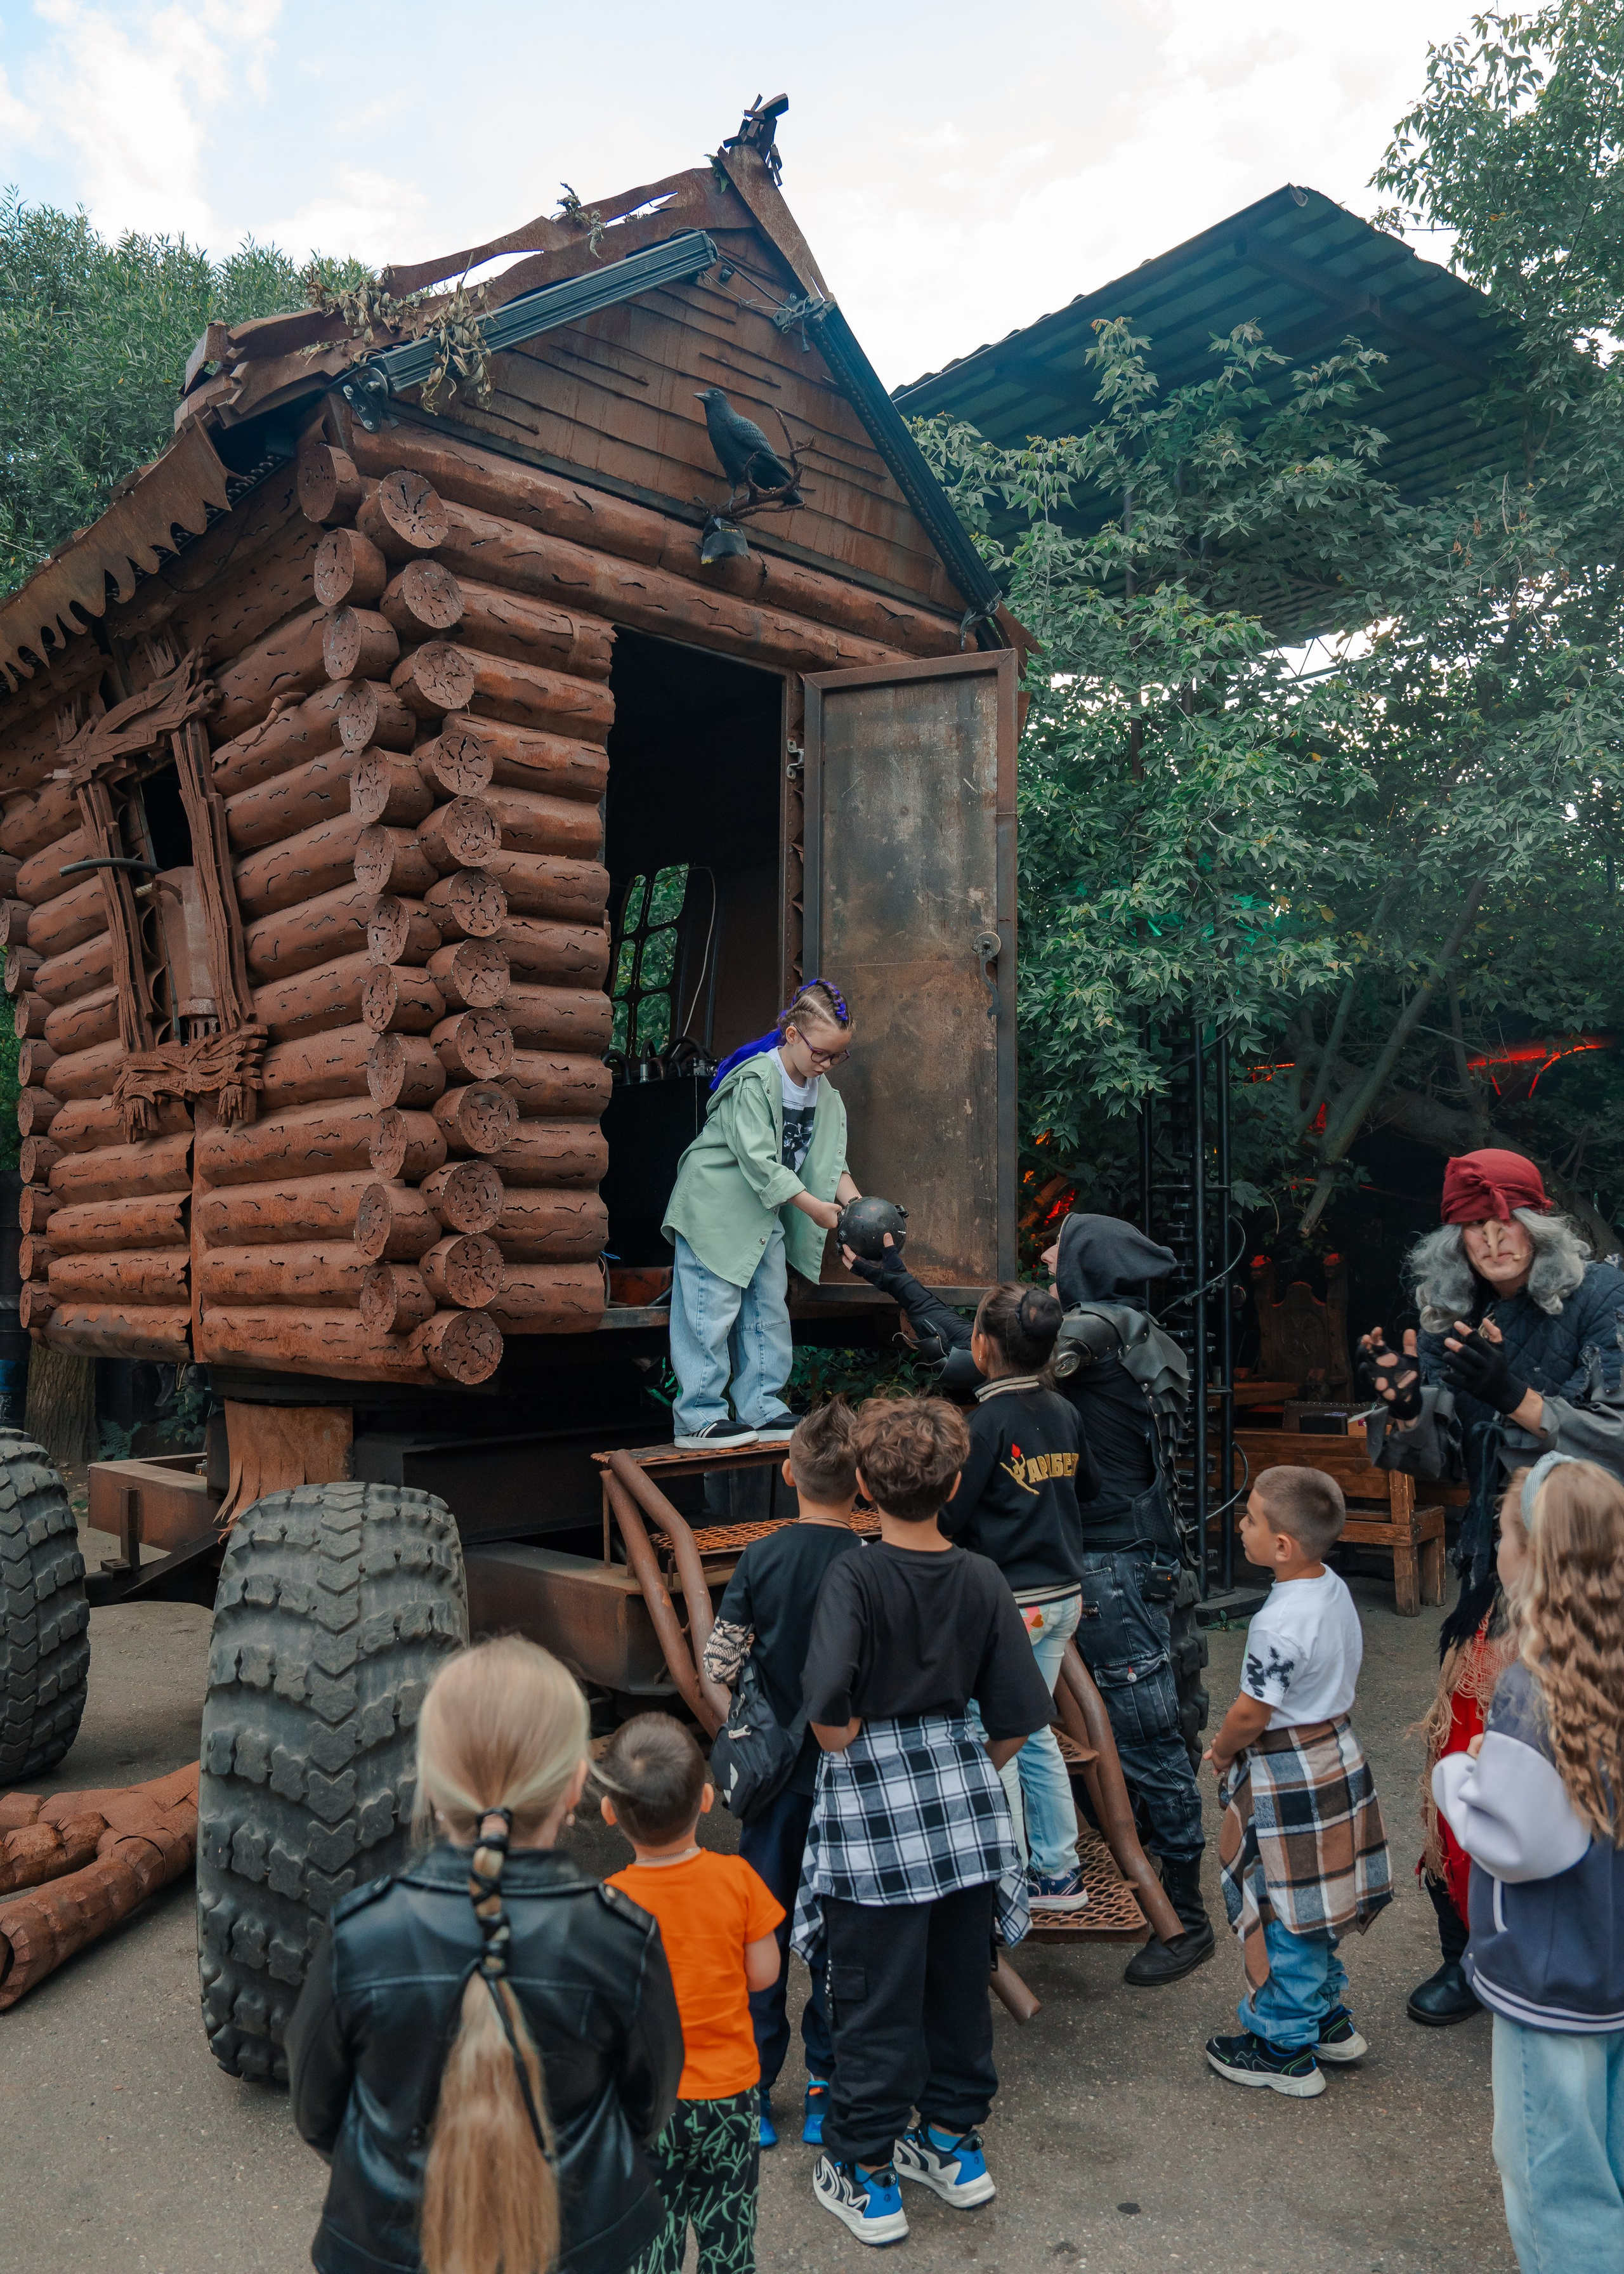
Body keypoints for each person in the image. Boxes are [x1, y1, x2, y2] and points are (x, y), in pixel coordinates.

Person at [843, 1211, 1215, 1985]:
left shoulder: (1089, 1332)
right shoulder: (1101, 1334)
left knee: (1139, 1731)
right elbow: (986, 1348)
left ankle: (1182, 1914)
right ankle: (1104, 1871)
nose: (1044, 1255)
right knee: (1081, 1725)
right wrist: (898, 1281)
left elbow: (968, 1360)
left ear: (1084, 1265)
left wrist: (900, 1283)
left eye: (1057, 1246)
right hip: (1099, 1565)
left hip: (1109, 1564)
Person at [286, 1637, 683, 2274]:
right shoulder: (621, 1937)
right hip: (577, 2246)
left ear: (433, 1785)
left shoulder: (360, 1934)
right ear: (576, 1782)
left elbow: (317, 2109)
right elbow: (646, 2106)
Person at [792, 1396, 1056, 2245]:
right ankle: (951, 2145)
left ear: (862, 1484)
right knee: (955, 1989)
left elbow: (826, 1699)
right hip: (967, 1817)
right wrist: (969, 1769)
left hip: (875, 1820)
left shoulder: (855, 1575)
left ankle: (865, 2173)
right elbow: (1018, 1712)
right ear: (953, 1485)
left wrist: (844, 1743)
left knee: (870, 1997)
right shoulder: (982, 1577)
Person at [1432, 1454, 1624, 2274]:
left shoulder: (1531, 1690)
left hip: (1548, 1987)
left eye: (1505, 1532)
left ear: (1528, 1557)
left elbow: (1521, 1844)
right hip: (1606, 1968)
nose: (1496, 1546)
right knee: (1605, 2162)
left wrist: (1457, 1776)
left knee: (1552, 2185)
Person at [700, 1399, 864, 2148]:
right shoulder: (870, 1559)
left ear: (787, 1471)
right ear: (861, 1481)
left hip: (775, 1788)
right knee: (840, 1939)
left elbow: (719, 1665)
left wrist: (746, 1716)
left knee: (758, 1937)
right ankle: (830, 2086)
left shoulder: (762, 1556)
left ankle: (758, 2090)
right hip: (853, 1781)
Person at [1203, 1467, 1392, 2099]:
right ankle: (1325, 2014)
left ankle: (1283, 2045)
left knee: (1286, 1905)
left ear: (1281, 1544)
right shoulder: (1330, 1587)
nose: (1240, 1524)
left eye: (1250, 1517)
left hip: (1289, 1766)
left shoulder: (1279, 1620)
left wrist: (1221, 1747)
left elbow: (1253, 1710)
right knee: (1319, 1897)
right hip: (1334, 1748)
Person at [1361, 1147, 1624, 1587]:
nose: (1493, 1238)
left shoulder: (1602, 1294)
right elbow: (1436, 1466)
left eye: (1507, 1220)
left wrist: (1513, 1397)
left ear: (1538, 1227)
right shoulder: (1447, 1315)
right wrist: (1409, 1412)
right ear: (1456, 1239)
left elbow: (1615, 1438)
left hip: (1592, 1545)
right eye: (1474, 1224)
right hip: (1493, 1545)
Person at [596, 1715, 784, 2274]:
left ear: (609, 1813)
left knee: (649, 2244)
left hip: (645, 2104)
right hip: (729, 2097)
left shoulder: (608, 1902)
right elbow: (765, 1975)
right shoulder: (738, 1879)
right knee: (729, 2238)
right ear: (706, 1800)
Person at [944, 1280, 1099, 1910]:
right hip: (1063, 1597)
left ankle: (1002, 1876)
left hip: (1011, 1605)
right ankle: (1057, 1872)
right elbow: (1089, 1486)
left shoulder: (984, 1424)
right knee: (1034, 1727)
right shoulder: (1064, 1413)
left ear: (981, 1347)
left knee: (995, 1731)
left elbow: (952, 1516)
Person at [662, 978, 862, 1450]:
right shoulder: (755, 1079)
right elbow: (757, 1161)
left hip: (765, 1212)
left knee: (768, 1308)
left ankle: (763, 1407)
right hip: (717, 1207)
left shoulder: (824, 1093)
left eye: (838, 1057)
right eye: (821, 1054)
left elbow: (832, 1162)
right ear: (792, 1035)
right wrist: (814, 1209)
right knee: (709, 1311)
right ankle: (698, 1417)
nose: (828, 1065)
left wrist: (856, 1207)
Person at [1408, 1511, 1517, 2027]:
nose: (1497, 1541)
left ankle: (1520, 1968)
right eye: (1499, 1532)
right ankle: (1463, 1961)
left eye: (1510, 1533)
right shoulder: (1490, 1594)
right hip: (1464, 1742)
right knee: (1448, 1837)